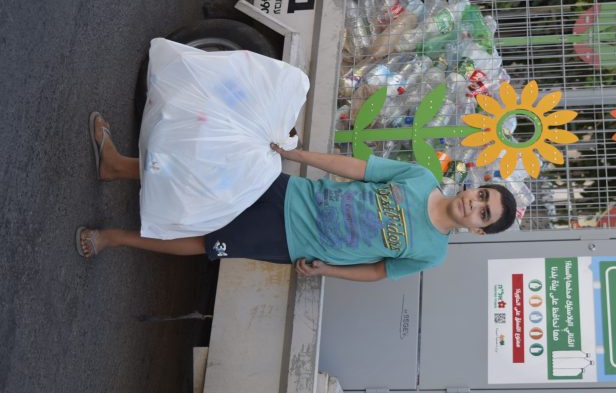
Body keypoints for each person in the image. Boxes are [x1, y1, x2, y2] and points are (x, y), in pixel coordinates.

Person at [77, 112, 517, 281]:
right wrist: (295, 155)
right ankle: (118, 166)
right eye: (482, 195)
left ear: (478, 231)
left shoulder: (432, 253)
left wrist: (327, 271)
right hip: (291, 192)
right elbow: (356, 168)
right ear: (475, 186)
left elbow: (378, 271)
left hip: (289, 241)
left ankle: (113, 238)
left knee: (204, 241)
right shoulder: (421, 178)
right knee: (208, 176)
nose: (474, 205)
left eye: (483, 214)